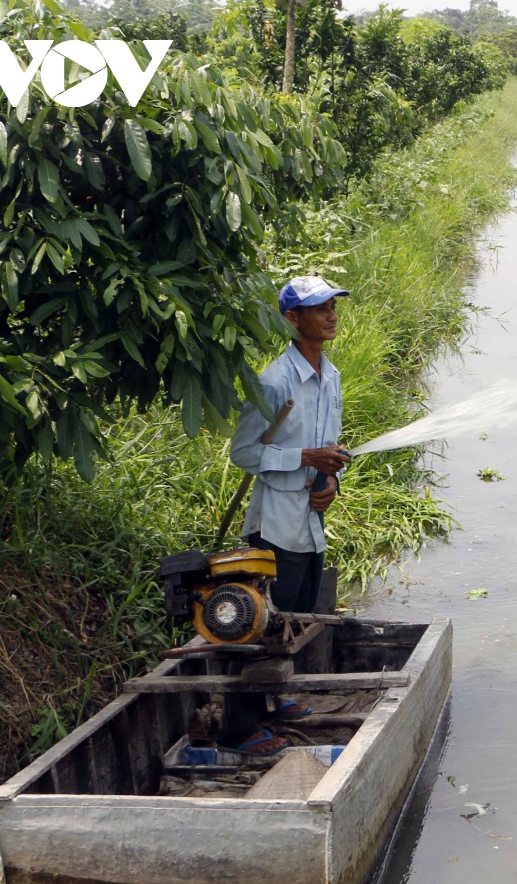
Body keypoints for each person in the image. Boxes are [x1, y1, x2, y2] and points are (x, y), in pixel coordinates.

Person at [222, 275, 354, 754]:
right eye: (319, 309)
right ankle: (238, 729)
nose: (331, 315)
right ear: (293, 319)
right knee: (261, 625)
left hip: (309, 523)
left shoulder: (331, 377)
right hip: (276, 524)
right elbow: (244, 453)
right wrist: (304, 459)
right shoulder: (274, 381)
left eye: (332, 307)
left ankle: (274, 700)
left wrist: (330, 481)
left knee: (295, 619)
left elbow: (329, 450)